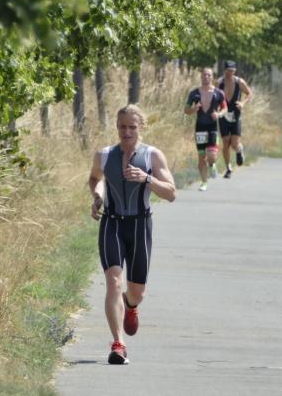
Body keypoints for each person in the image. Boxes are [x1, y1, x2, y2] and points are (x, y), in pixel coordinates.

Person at [88, 104, 176, 365]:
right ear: (116, 127)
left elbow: (171, 193)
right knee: (114, 282)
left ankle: (131, 305)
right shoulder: (104, 155)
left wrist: (146, 178)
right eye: (122, 127)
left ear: (141, 127)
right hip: (112, 224)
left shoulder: (152, 156)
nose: (126, 132)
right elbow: (95, 178)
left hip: (139, 226)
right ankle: (118, 344)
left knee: (136, 292)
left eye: (132, 127)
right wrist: (97, 196)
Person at [184, 67, 227, 191]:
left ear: (212, 77)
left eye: (209, 75)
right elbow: (186, 110)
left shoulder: (219, 93)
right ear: (201, 76)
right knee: (201, 157)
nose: (206, 77)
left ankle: (212, 165)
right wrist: (194, 109)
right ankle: (204, 182)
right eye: (204, 74)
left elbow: (225, 108)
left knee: (212, 155)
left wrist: (219, 114)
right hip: (200, 127)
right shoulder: (194, 93)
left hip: (212, 127)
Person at [217, 60, 253, 178]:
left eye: (232, 71)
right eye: (228, 70)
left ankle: (239, 149)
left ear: (235, 70)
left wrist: (243, 103)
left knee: (234, 143)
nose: (230, 73)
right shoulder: (219, 83)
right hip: (223, 114)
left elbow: (249, 94)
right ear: (224, 70)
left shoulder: (239, 82)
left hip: (236, 114)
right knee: (225, 142)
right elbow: (214, 96)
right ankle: (228, 168)